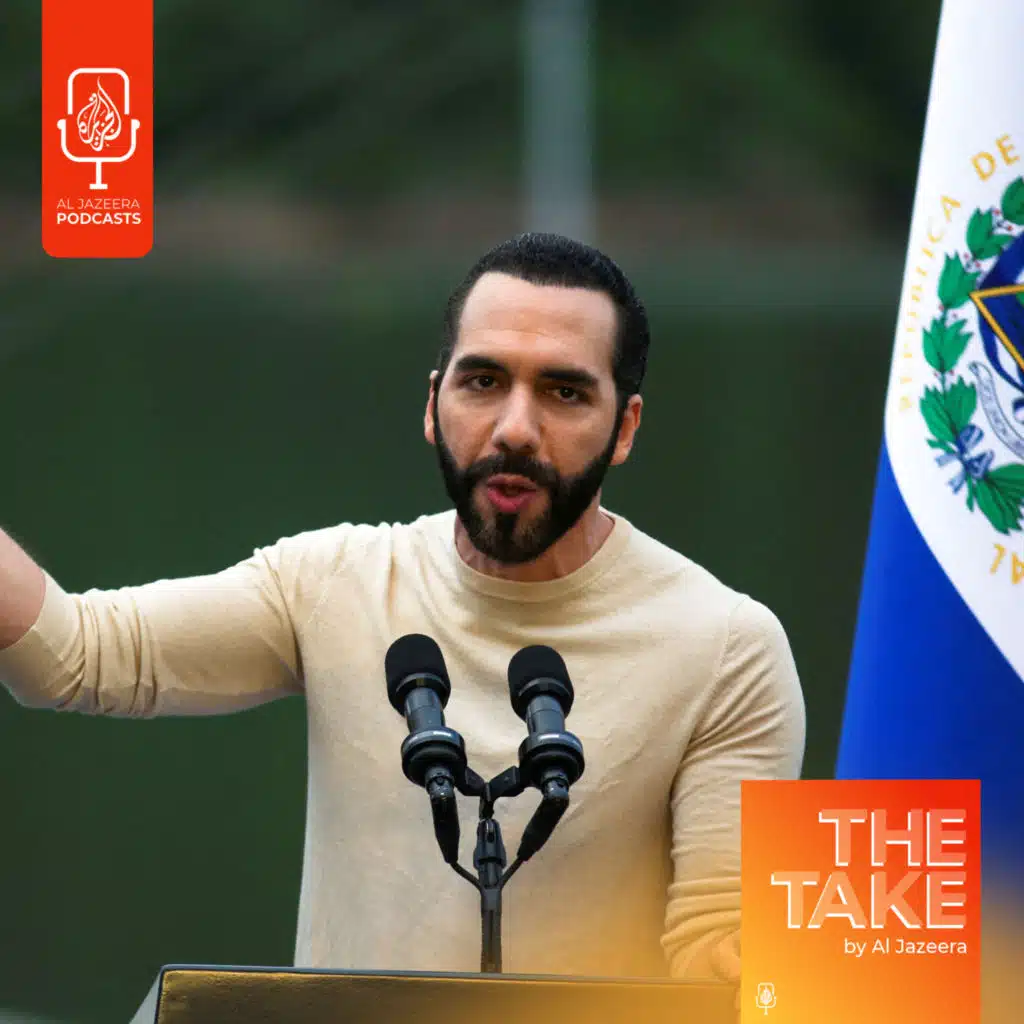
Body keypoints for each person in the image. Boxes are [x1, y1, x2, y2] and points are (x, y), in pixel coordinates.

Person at [0, 232, 805, 987]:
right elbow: (72, 656)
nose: (515, 429)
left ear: (624, 428)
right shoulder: (333, 583)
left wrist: (841, 953)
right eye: (483, 382)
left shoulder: (726, 647)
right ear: (432, 404)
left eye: (564, 392)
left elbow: (717, 955)